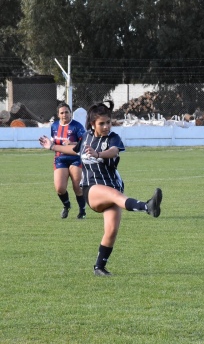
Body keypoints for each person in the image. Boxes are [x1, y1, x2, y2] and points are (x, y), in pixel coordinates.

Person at [39, 101, 163, 276]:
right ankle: (147, 206)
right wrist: (51, 146)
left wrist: (98, 154)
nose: (106, 127)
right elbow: (74, 149)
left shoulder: (113, 138)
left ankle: (99, 267)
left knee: (111, 230)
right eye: (101, 123)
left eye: (108, 122)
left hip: (112, 187)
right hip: (92, 189)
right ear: (92, 124)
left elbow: (113, 151)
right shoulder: (86, 138)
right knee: (114, 195)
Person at [50, 102, 86, 219]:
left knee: (77, 187)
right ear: (58, 115)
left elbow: (85, 142)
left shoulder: (77, 126)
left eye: (67, 112)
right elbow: (53, 142)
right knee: (60, 188)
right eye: (62, 113)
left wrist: (73, 143)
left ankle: (82, 211)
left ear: (70, 113)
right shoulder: (54, 126)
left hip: (76, 159)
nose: (64, 114)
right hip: (60, 159)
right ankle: (67, 206)